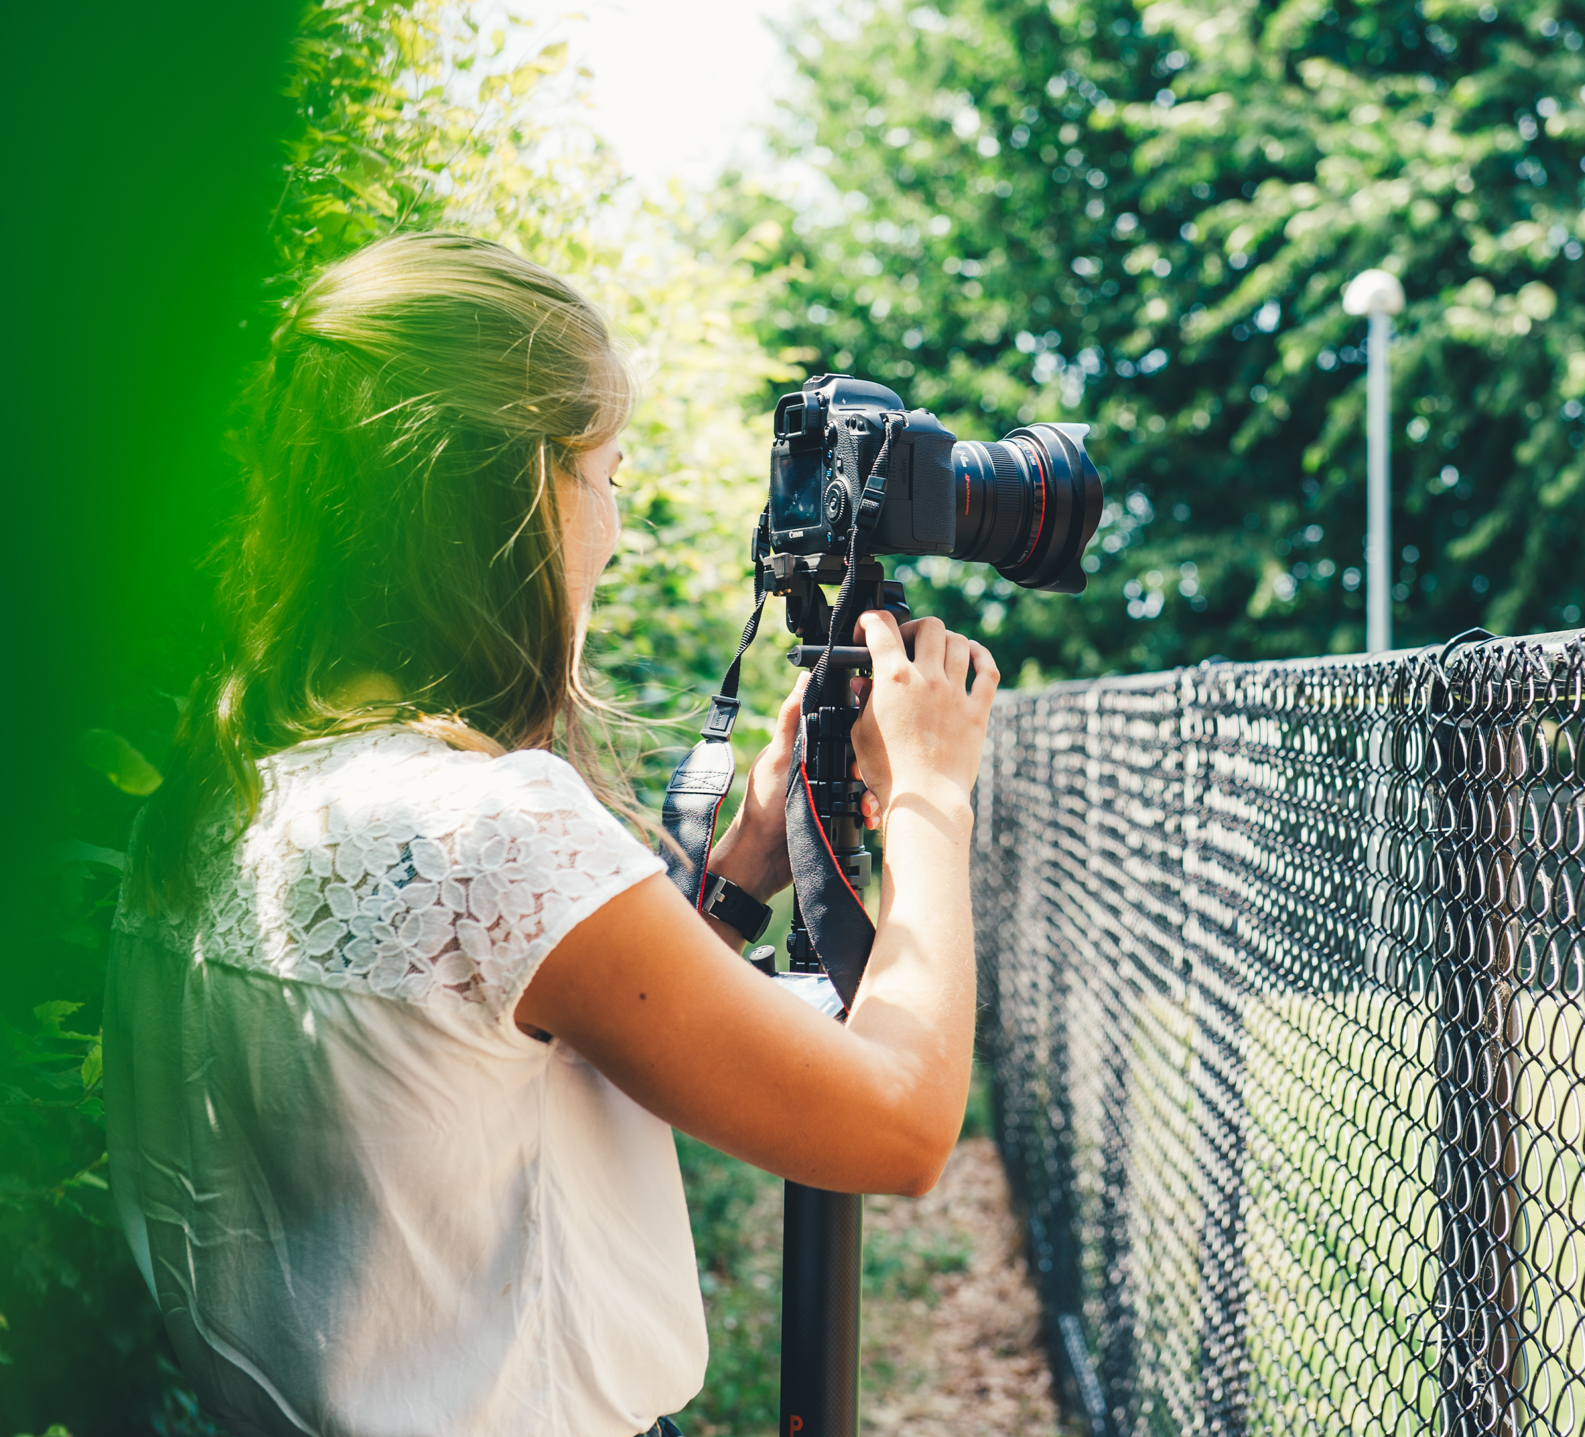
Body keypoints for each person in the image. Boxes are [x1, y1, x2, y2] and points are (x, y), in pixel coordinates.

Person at [104, 232, 997, 1436]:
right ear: (524, 494)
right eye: (609, 477)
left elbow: (493, 1066)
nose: (616, 529)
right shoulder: (490, 827)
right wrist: (935, 793)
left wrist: (736, 875)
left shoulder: (215, 804)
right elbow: (895, 1121)